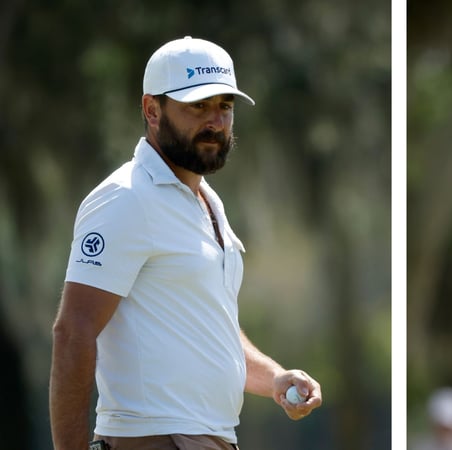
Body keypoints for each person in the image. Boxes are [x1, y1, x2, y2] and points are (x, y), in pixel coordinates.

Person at [49, 36, 322, 450]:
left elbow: (207, 330)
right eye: (198, 106)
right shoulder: (126, 197)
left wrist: (274, 379)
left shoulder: (207, 200)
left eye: (224, 107)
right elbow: (74, 331)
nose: (215, 121)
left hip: (207, 438)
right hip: (154, 438)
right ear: (152, 110)